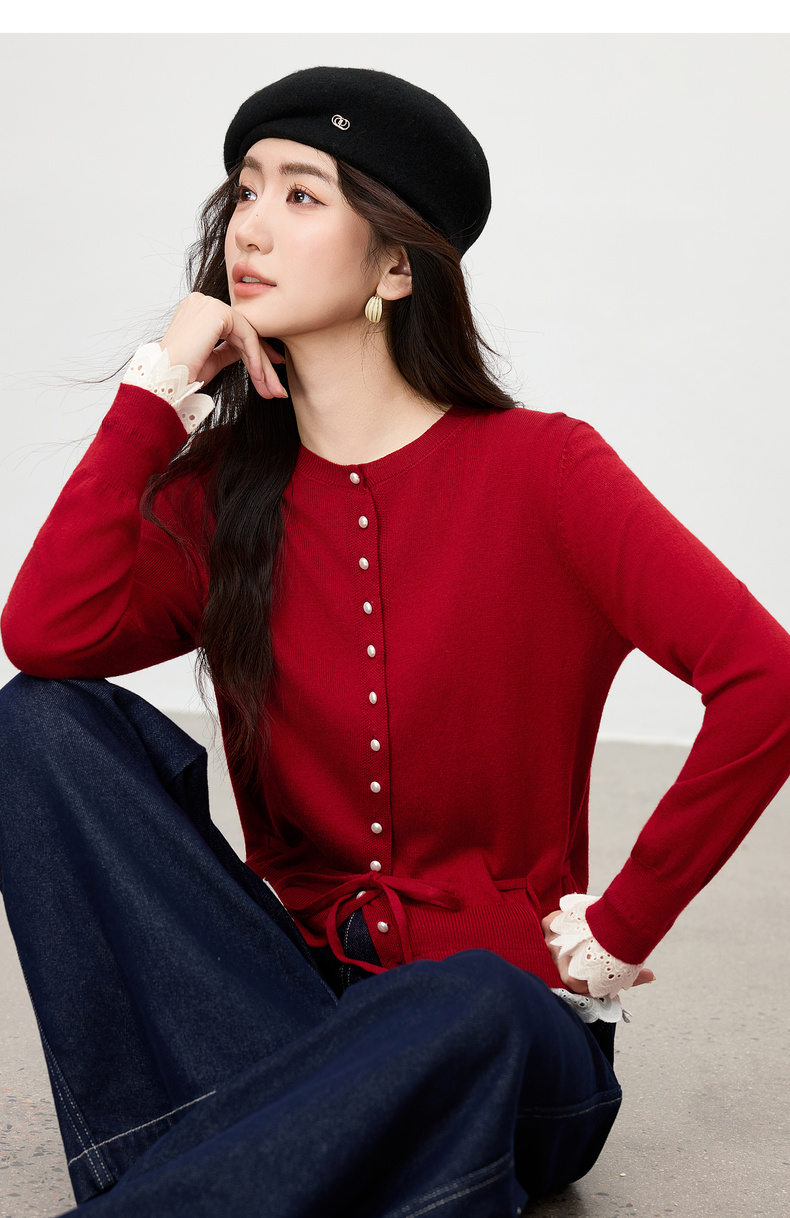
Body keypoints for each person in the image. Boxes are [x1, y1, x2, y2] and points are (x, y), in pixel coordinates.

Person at [1, 64, 789, 1218]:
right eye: (245, 192)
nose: (251, 228)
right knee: (37, 722)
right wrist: (155, 391)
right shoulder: (225, 498)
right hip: (286, 1011)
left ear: (397, 266)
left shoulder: (545, 472)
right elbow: (44, 636)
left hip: (502, 1039)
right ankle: (297, 1163)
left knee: (471, 998)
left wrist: (618, 932)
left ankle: (219, 1172)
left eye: (301, 195)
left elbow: (765, 680)